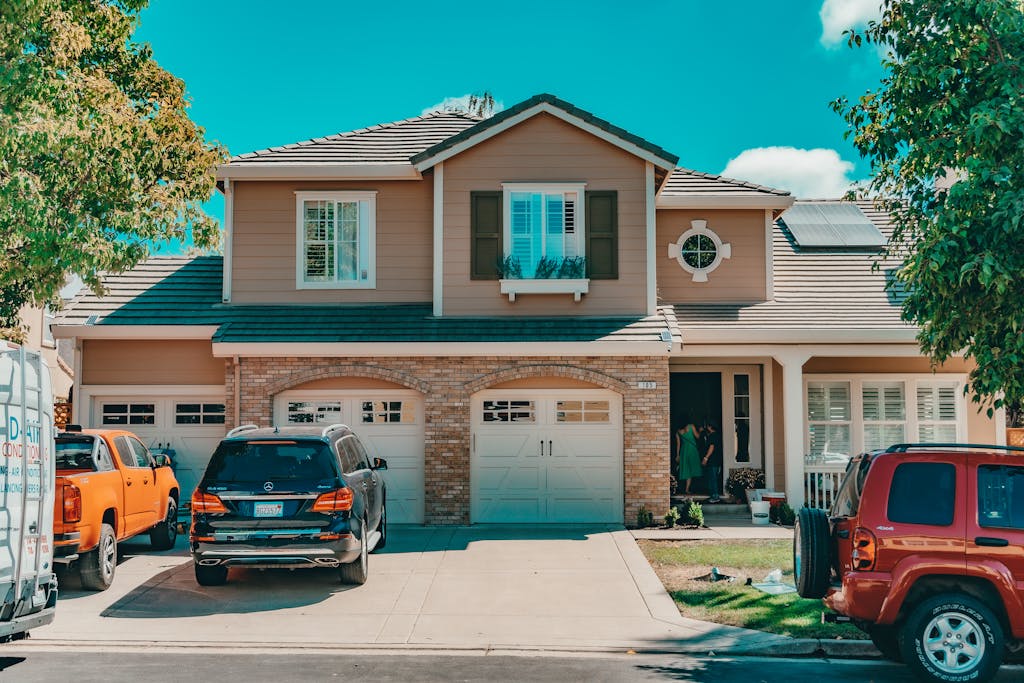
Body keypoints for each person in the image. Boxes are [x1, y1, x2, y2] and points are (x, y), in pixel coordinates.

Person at [675, 417, 702, 495]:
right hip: (692, 449)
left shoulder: (678, 431)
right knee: (694, 467)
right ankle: (693, 488)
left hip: (684, 451)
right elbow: (697, 436)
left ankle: (687, 489)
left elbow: (678, 444)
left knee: (687, 469)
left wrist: (677, 455)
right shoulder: (691, 426)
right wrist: (700, 431)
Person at [702, 421, 724, 503]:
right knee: (713, 478)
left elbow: (711, 447)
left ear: (710, 427)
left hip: (712, 460)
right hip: (717, 460)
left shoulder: (712, 436)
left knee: (713, 479)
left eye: (707, 426)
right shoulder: (717, 435)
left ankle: (715, 496)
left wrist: (705, 458)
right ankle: (713, 495)